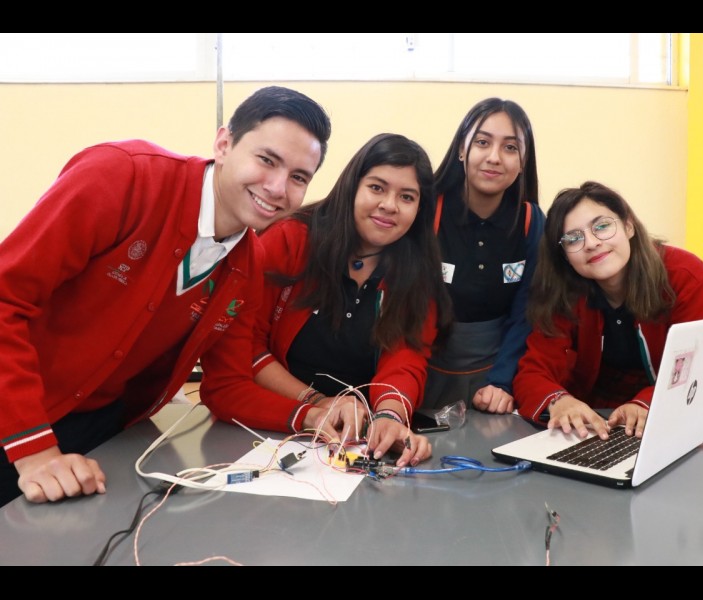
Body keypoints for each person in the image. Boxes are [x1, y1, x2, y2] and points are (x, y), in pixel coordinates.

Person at [0, 86, 332, 506]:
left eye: (299, 177)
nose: (278, 187)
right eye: (267, 160)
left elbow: (227, 384)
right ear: (224, 143)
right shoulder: (123, 176)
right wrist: (35, 451)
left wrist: (312, 416)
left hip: (98, 427)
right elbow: (6, 297)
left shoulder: (248, 267)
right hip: (16, 408)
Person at [201, 133, 452, 468]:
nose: (389, 205)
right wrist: (317, 403)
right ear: (352, 186)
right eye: (376, 188)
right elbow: (247, 346)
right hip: (268, 426)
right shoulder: (291, 239)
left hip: (354, 440)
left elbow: (406, 357)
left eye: (407, 197)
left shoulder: (417, 269)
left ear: (420, 208)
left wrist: (389, 416)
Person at [513, 181, 703, 439]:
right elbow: (532, 371)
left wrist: (644, 404)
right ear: (564, 255)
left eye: (602, 226)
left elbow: (692, 367)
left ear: (628, 226)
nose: (591, 243)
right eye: (573, 238)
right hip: (593, 426)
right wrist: (559, 401)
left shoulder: (684, 275)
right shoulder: (563, 290)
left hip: (664, 418)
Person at [422, 98, 545, 414]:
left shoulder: (531, 221)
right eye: (482, 142)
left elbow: (527, 312)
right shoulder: (426, 210)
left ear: (523, 161)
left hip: (496, 380)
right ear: (462, 150)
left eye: (510, 147)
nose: (494, 157)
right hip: (422, 371)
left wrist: (501, 382)